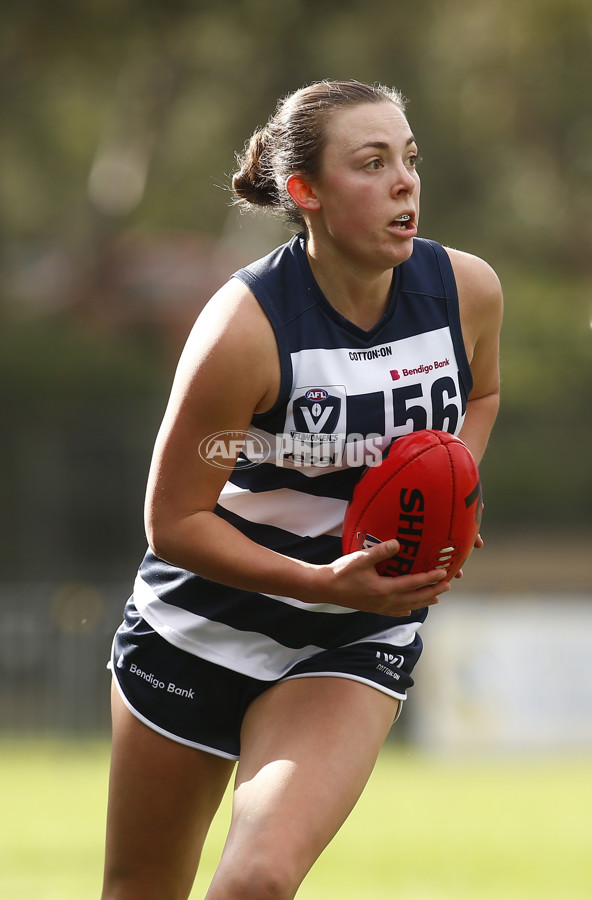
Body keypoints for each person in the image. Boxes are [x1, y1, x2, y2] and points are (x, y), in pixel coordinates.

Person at [101, 79, 502, 900]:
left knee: (259, 880)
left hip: (353, 632)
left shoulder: (465, 291)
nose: (405, 181)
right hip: (201, 629)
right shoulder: (243, 328)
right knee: (141, 888)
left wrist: (453, 487)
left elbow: (484, 393)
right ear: (304, 192)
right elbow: (171, 520)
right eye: (372, 162)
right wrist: (314, 578)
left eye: (411, 160)